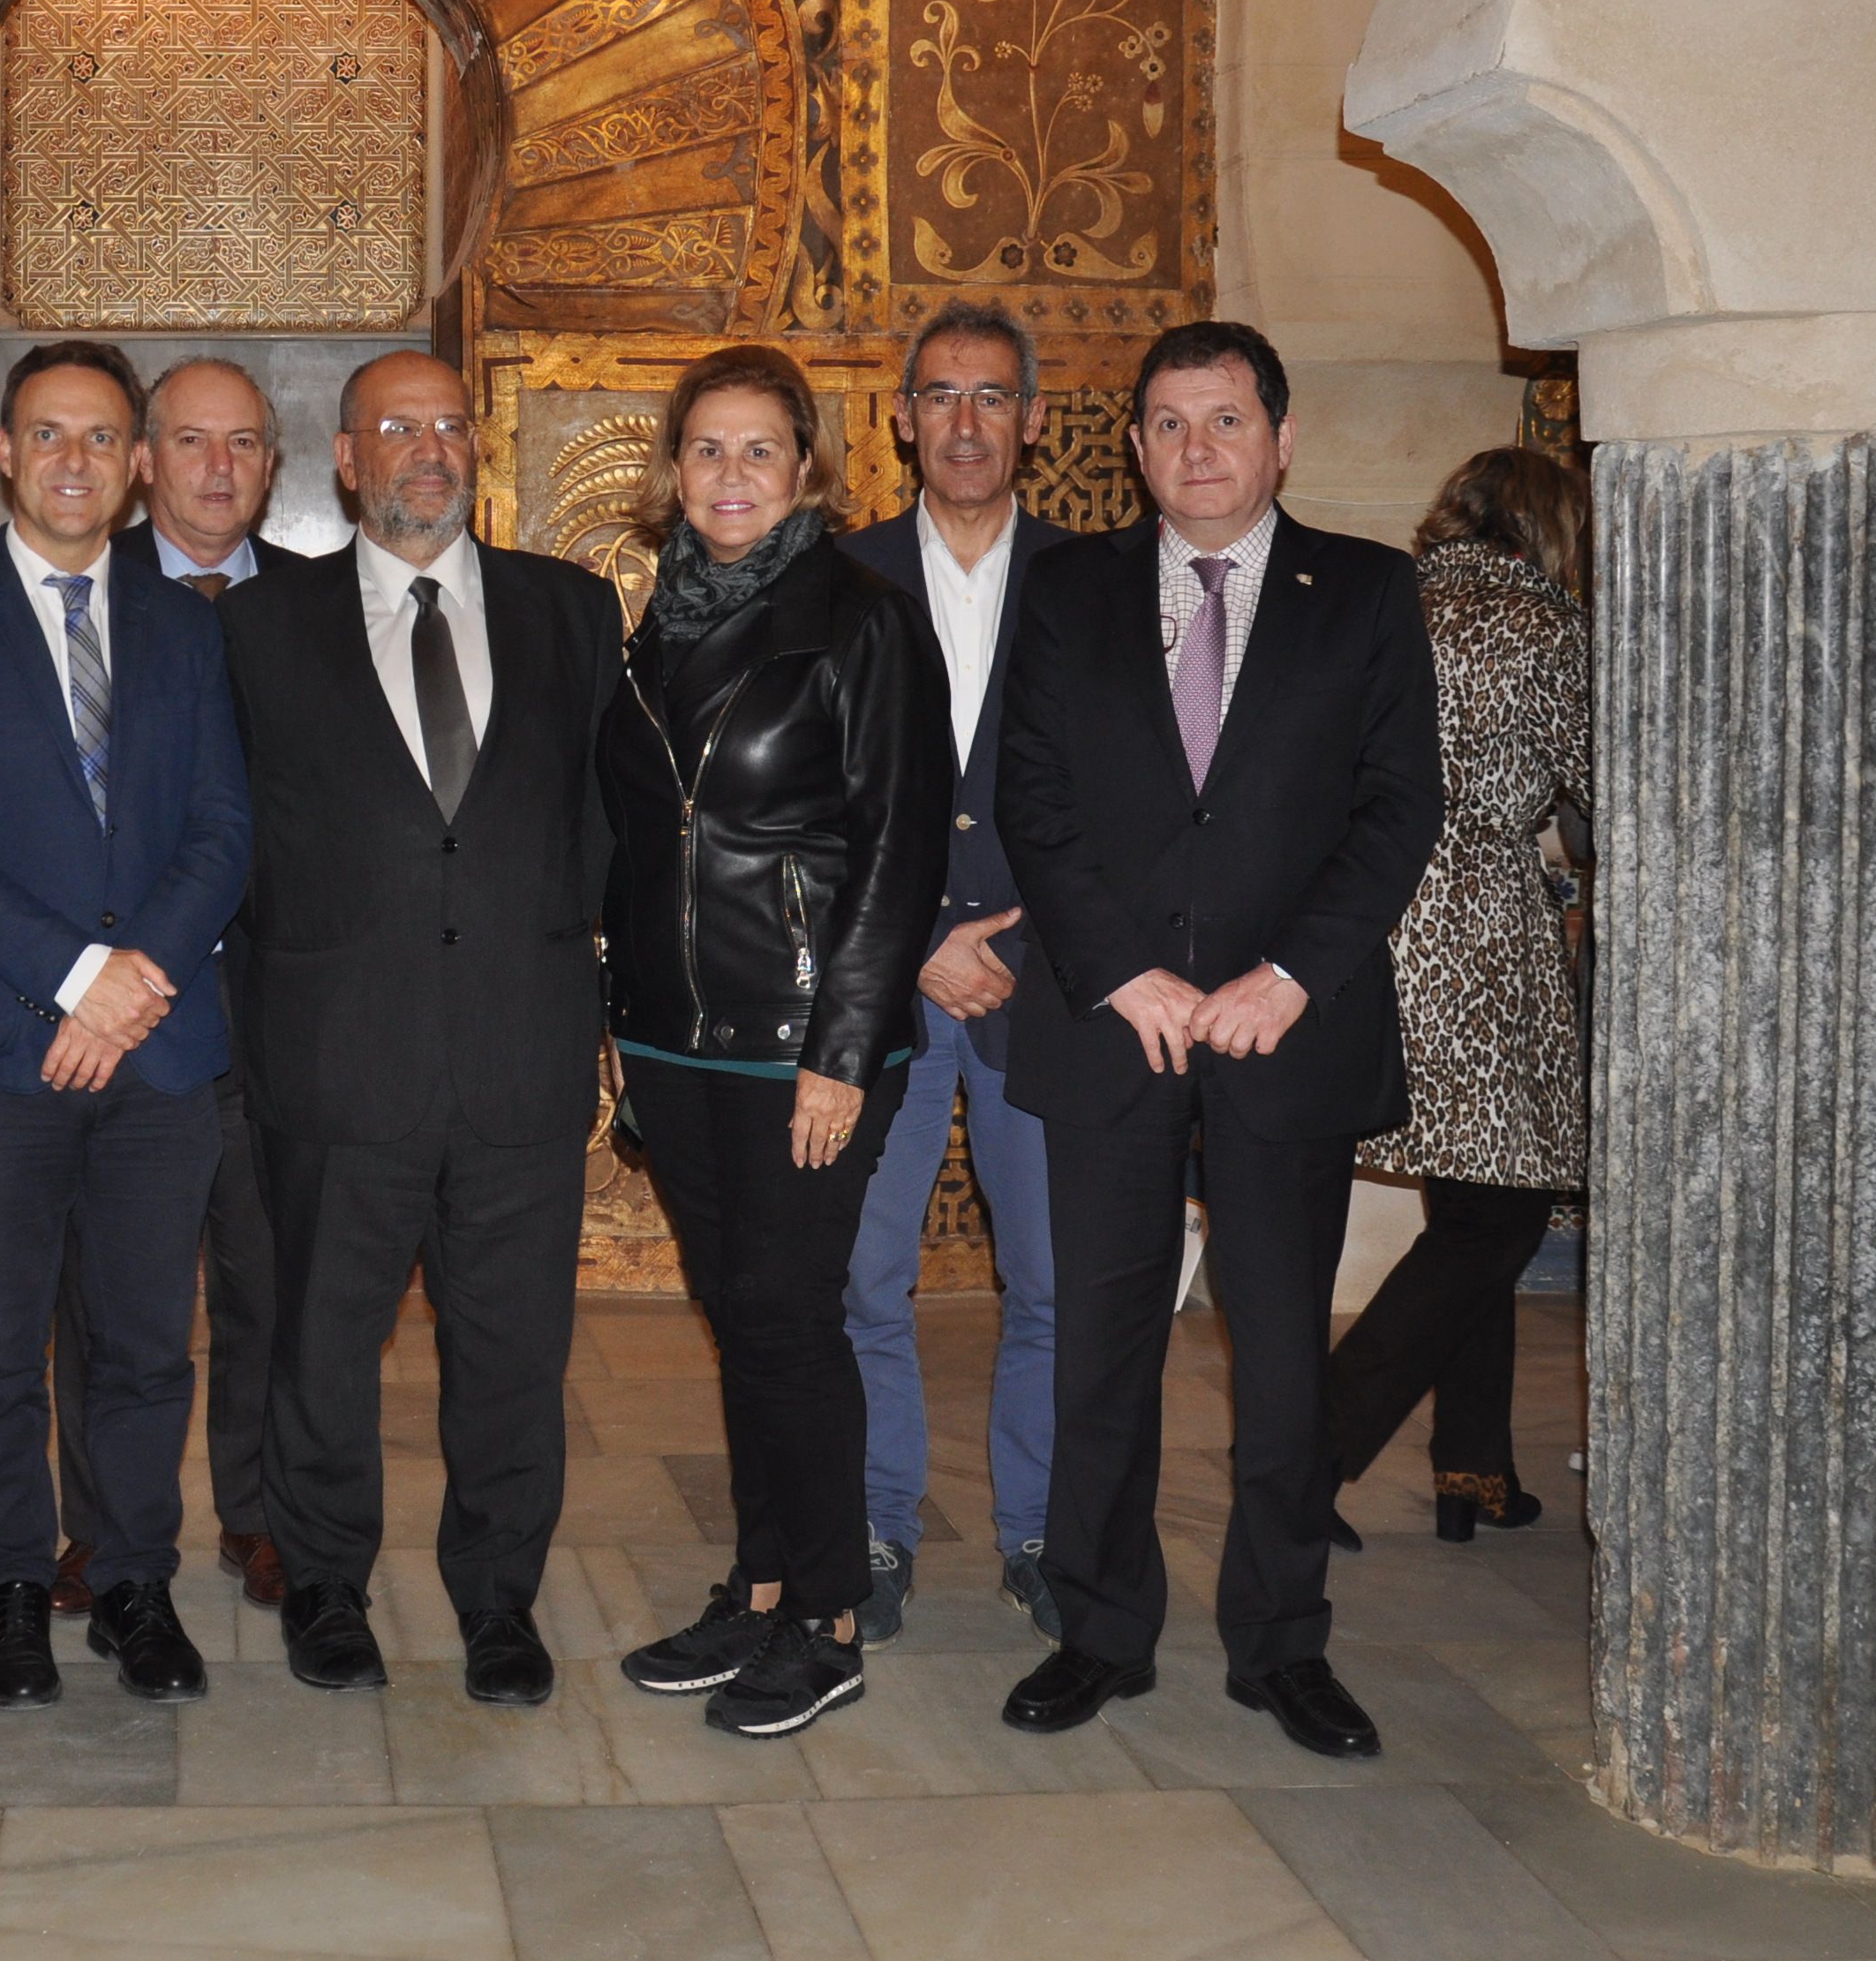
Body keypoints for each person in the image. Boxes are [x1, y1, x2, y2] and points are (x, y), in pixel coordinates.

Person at [988, 320, 1443, 1761]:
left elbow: (1399, 804)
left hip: (1280, 1036)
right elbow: (1030, 792)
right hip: (1109, 1029)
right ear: (1134, 448)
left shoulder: (1364, 591)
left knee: (1284, 1363)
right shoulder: (1065, 588)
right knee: (1098, 1348)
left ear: (1281, 439)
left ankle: (1281, 1643)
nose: (1198, 448)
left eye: (1227, 419)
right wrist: (1118, 970)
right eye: (1170, 423)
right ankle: (1098, 1628)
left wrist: (1289, 976)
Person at [223, 349, 621, 1708]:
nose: (430, 447)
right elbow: (232, 837)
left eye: (451, 423)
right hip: (335, 1053)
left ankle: (499, 1600)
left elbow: (609, 816)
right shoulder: (260, 626)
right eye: (398, 426)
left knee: (513, 1354)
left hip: (521, 1050)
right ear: (346, 460)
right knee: (322, 1346)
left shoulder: (572, 612)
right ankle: (325, 1584)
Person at [598, 345, 954, 1739]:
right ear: (674, 470)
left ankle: (829, 1614)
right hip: (679, 1042)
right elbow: (647, 842)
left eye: (760, 448)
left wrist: (842, 1049)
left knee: (793, 1319)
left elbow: (900, 851)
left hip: (802, 1039)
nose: (731, 474)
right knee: (740, 1316)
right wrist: (623, 1019)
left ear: (806, 467)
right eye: (708, 448)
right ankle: (757, 1588)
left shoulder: (861, 619)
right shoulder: (660, 621)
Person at [0, 342, 252, 1708]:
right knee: (0, 1340)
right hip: (1, 1044)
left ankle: (132, 1580)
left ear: (138, 463)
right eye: (48, 433)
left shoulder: (186, 624)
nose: (74, 461)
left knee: (147, 1342)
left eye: (103, 437)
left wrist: (133, 980)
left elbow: (223, 829)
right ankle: (7, 1585)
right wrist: (76, 976)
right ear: (2, 451)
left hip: (159, 1046)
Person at [49, 355, 313, 1615]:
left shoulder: (322, 604)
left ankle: (261, 1515)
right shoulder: (77, 589)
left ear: (274, 463)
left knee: (270, 1280)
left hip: (274, 1014)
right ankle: (102, 1527)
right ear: (146, 459)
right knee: (103, 1295)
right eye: (193, 442)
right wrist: (115, 977)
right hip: (107, 1009)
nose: (219, 468)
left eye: (244, 443)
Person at [836, 300, 1078, 1642]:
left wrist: (1020, 939)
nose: (966, 422)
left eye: (992, 396)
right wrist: (923, 935)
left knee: (1051, 1287)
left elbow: (1131, 800)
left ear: (1032, 419)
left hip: (1046, 992)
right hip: (885, 987)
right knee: (863, 1282)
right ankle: (875, 1526)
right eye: (940, 395)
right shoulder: (840, 576)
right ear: (903, 418)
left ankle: (1039, 1532)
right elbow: (813, 797)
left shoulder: (1098, 581)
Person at [1325, 446, 1592, 1543]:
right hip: (1478, 925)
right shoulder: (1545, 626)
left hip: (1367, 908)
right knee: (1501, 1210)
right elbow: (1607, 789)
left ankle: (1473, 1465)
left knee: (1472, 1197)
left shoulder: (1385, 605)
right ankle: (1309, 1449)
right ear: (1548, 526)